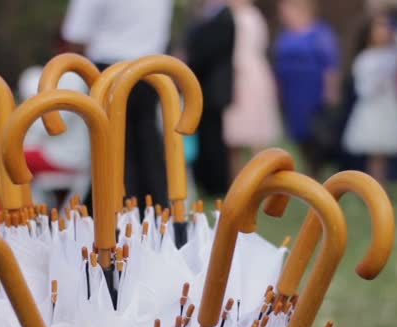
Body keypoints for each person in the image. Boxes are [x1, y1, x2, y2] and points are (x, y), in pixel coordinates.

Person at [61, 0, 174, 212]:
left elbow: (75, 35)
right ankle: (158, 214)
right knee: (147, 144)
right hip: (150, 69)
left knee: (111, 148)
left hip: (108, 71)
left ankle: (117, 214)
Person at [341, 14, 397, 184]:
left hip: (387, 110)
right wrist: (377, 84)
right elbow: (362, 88)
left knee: (382, 154)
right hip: (371, 111)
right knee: (374, 153)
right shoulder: (364, 59)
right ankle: (373, 187)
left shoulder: (392, 55)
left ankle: (379, 186)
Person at [274, 0, 340, 179]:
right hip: (292, 93)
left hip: (312, 91)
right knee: (299, 134)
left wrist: (330, 94)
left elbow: (330, 66)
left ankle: (317, 172)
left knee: (316, 135)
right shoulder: (285, 35)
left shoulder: (320, 33)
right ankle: (306, 171)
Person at [223, 0, 281, 180]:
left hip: (245, 78)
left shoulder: (243, 18)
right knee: (240, 134)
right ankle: (246, 180)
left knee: (250, 133)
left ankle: (253, 180)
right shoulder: (253, 17)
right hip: (251, 75)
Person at [186, 0, 236, 196]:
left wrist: (191, 59)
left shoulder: (225, 17)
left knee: (214, 140)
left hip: (214, 89)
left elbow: (210, 48)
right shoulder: (205, 15)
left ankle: (217, 185)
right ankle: (206, 181)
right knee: (205, 138)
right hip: (202, 87)